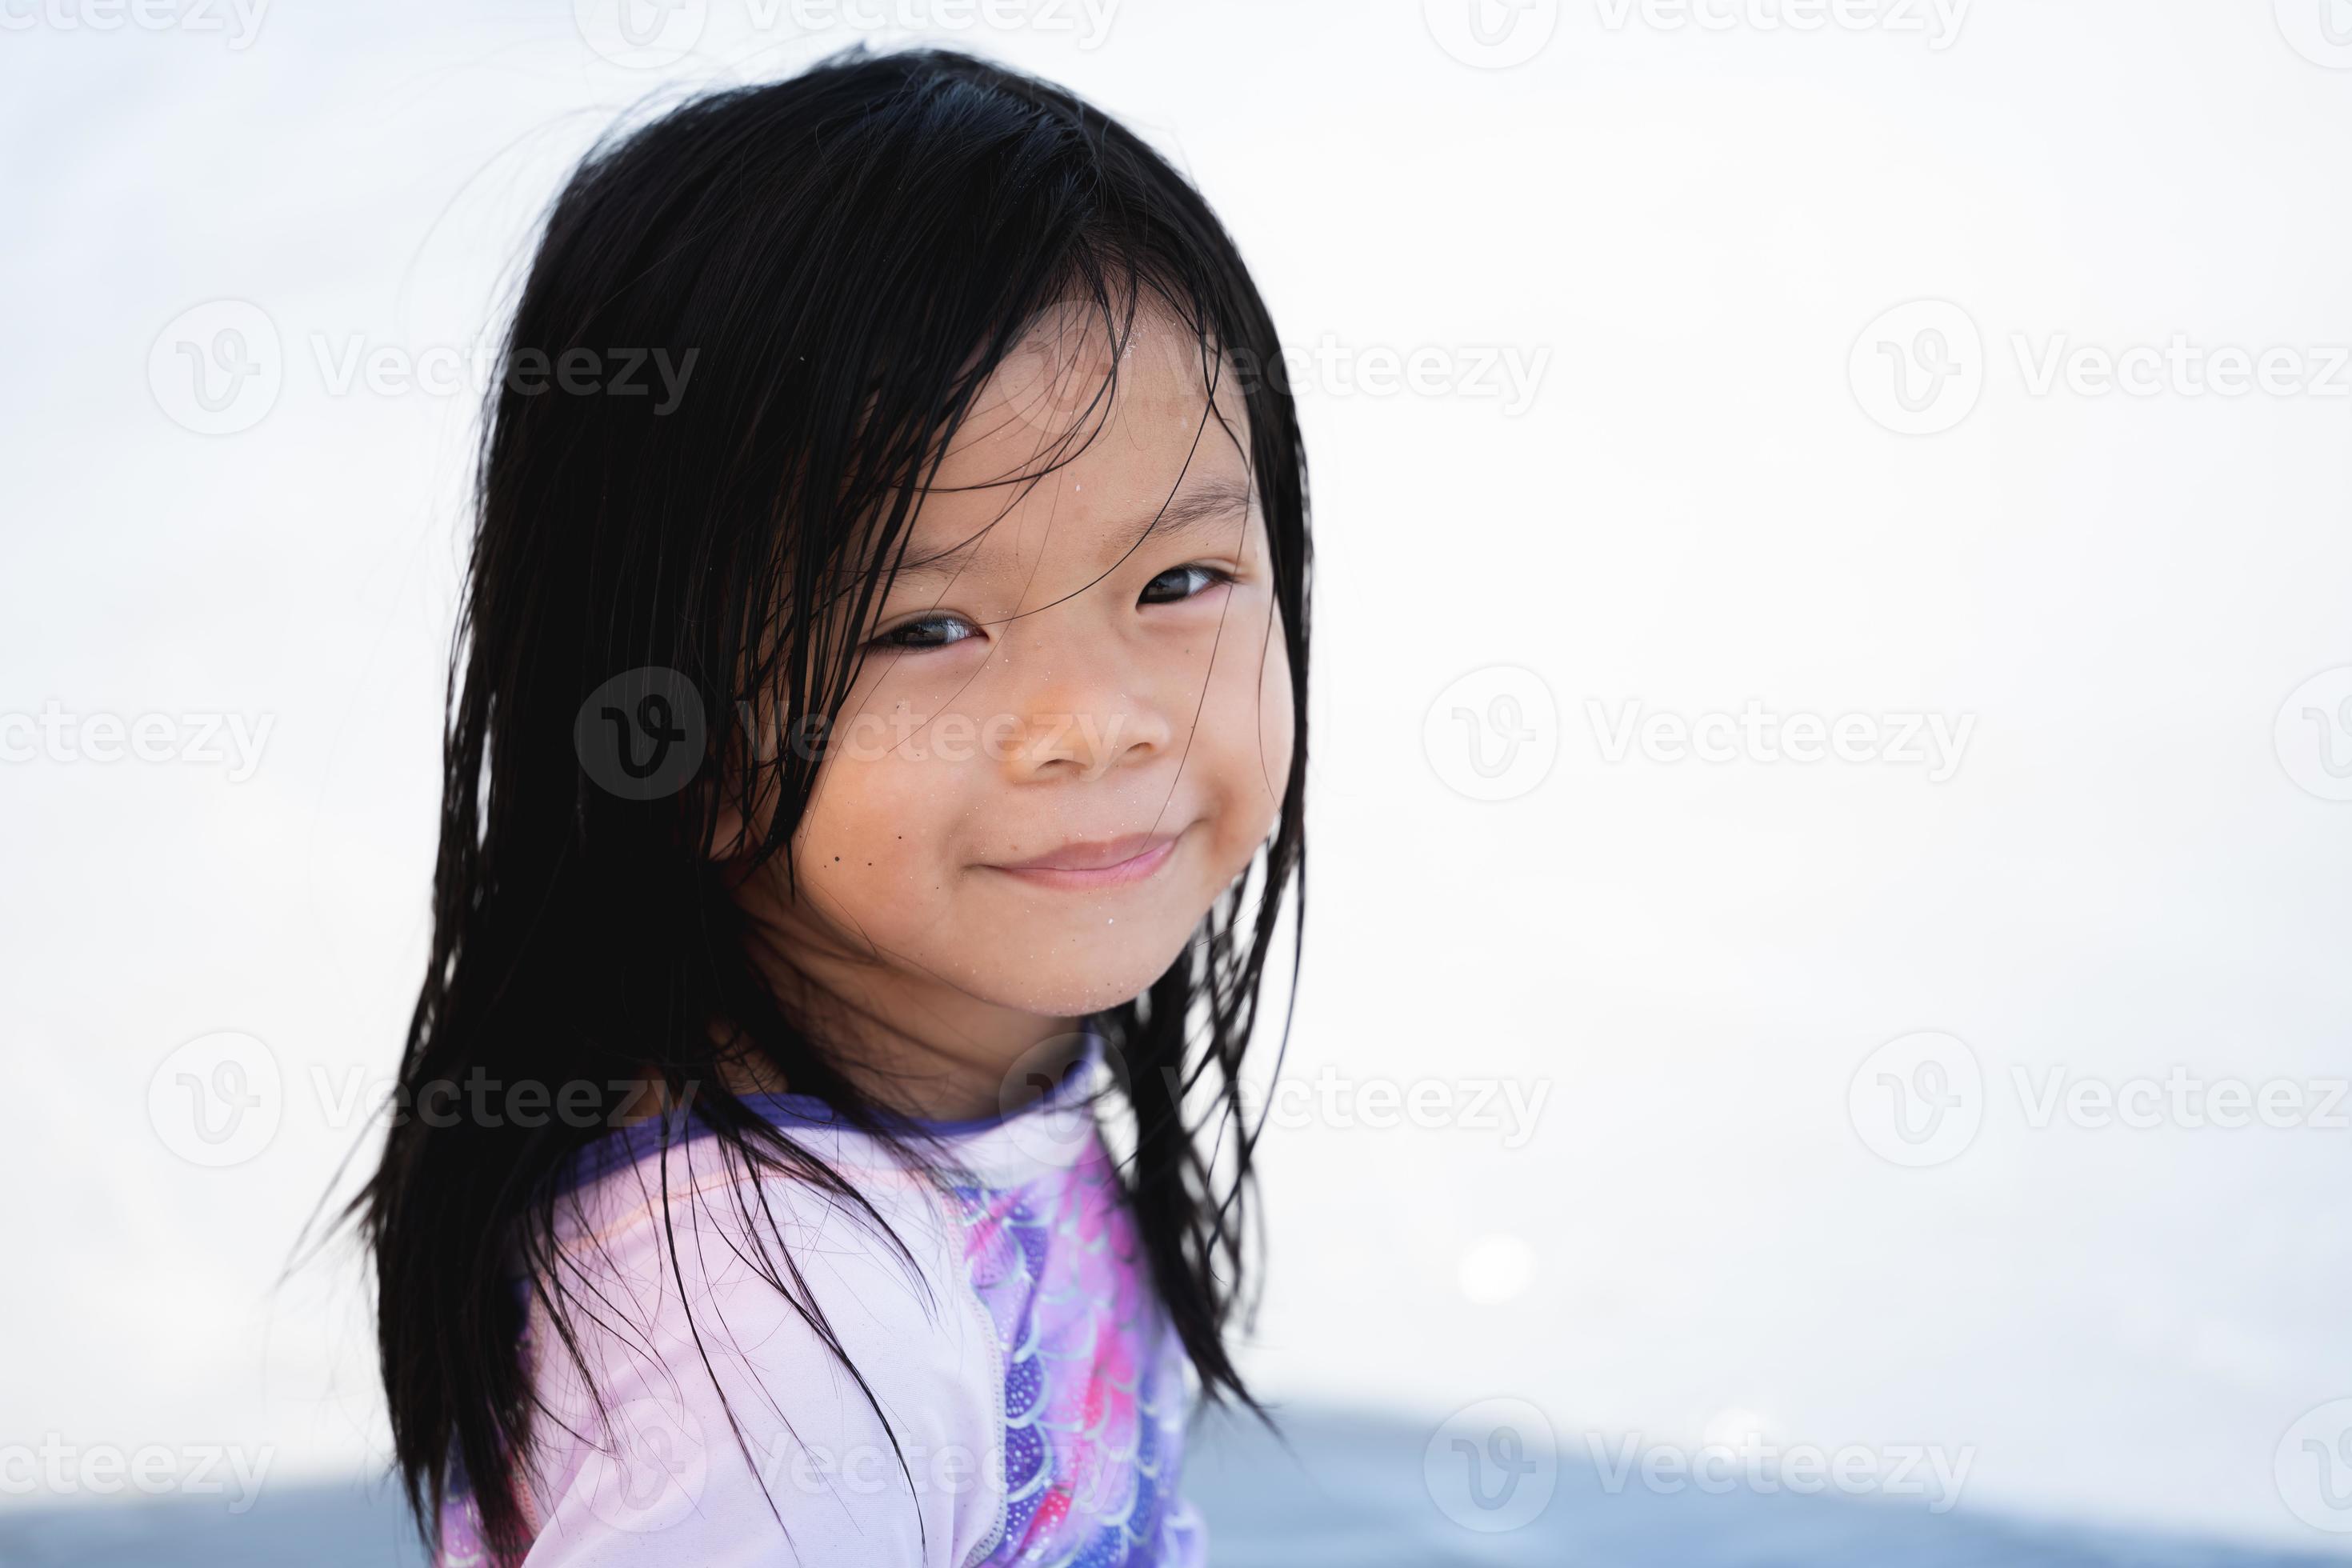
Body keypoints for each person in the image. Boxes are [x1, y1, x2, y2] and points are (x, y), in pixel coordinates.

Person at [353, 44, 1311, 1566]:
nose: (1098, 723)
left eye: (1178, 581)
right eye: (924, 628)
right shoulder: (783, 1338)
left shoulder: (971, 1108)